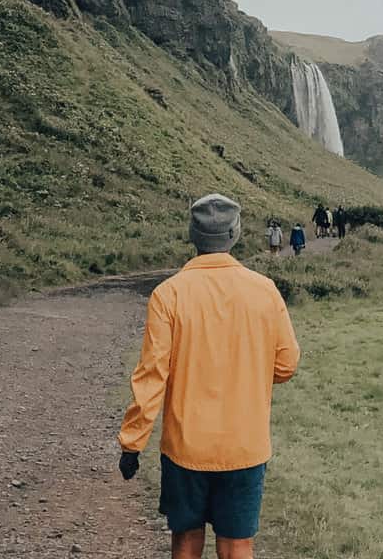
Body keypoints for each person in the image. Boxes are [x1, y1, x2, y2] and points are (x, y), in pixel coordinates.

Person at [118, 194, 301, 559]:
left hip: (186, 448)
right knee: (237, 545)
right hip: (245, 446)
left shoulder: (167, 294)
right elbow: (286, 365)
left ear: (192, 234)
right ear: (236, 232)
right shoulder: (264, 290)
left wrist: (132, 443)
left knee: (185, 541)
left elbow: (152, 376)